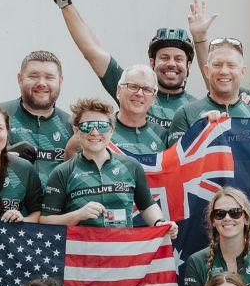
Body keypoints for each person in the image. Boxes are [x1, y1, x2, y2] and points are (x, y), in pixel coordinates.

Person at [47, 0, 198, 131]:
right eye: (164, 57)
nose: (171, 63)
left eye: (178, 59)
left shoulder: (197, 108)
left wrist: (201, 39)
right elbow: (92, 51)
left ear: (188, 65)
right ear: (152, 63)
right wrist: (65, 4)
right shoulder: (131, 89)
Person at [41, 99, 175, 235]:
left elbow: (147, 205)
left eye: (102, 126)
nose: (95, 132)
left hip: (123, 246)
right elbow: (45, 221)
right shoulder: (62, 172)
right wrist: (77, 215)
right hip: (82, 247)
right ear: (76, 131)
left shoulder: (131, 166)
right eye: (87, 126)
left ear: (112, 130)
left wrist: (159, 223)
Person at [0, 50, 72, 182]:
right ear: (20, 79)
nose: (41, 83)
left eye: (49, 77)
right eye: (33, 76)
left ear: (60, 81)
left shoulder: (73, 126)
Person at [168, 37, 250, 144]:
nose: (224, 71)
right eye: (217, 65)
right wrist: (199, 131)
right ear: (206, 71)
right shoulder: (186, 114)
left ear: (242, 72)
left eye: (231, 65)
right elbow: (175, 154)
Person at [108, 65, 169, 155]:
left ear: (153, 99)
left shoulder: (162, 135)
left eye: (147, 89)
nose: (140, 93)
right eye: (133, 86)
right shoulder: (102, 130)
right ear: (118, 91)